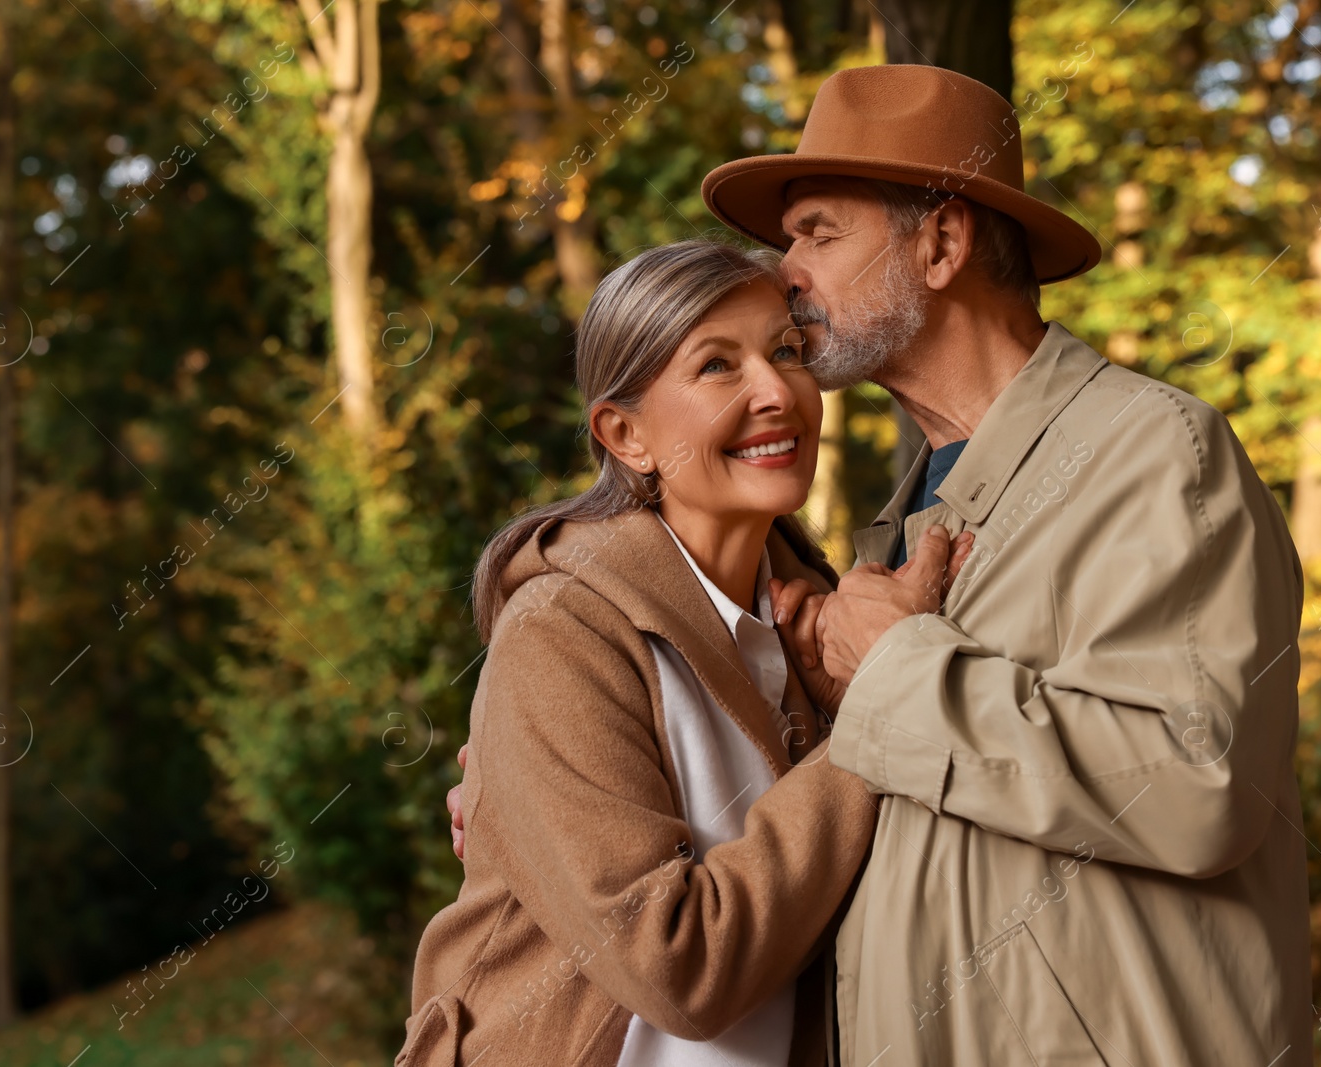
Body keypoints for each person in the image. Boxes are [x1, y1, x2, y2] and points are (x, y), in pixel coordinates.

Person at [699, 64, 1313, 1063]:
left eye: (817, 231)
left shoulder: (1151, 453)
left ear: (941, 243)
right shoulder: (898, 520)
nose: (783, 271)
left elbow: (1194, 782)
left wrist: (894, 668)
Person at [398, 239, 969, 1066]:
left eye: (787, 352)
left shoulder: (817, 630)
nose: (778, 391)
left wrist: (858, 691)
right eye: (716, 366)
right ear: (625, 433)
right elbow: (679, 969)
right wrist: (883, 711)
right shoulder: (561, 635)